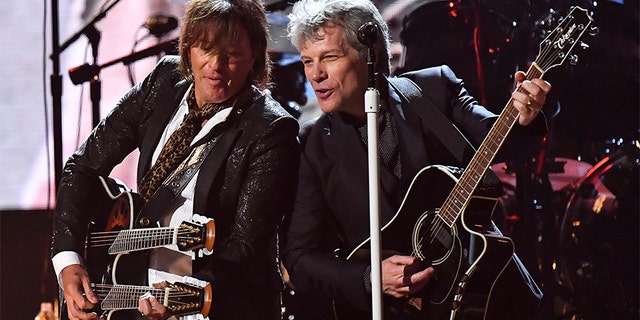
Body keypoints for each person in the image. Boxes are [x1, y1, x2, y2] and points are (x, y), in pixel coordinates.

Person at [281, 0, 551, 319]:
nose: (316, 74)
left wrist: (523, 116)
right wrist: (370, 278)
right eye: (307, 61)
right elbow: (300, 257)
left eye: (329, 57)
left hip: (484, 292)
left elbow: (496, 138)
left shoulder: (433, 89)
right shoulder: (312, 144)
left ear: (371, 54)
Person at [51, 0, 300, 319]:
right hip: (136, 295)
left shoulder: (271, 128)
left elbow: (245, 245)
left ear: (254, 57)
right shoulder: (163, 82)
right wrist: (69, 260)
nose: (216, 66)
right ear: (187, 49)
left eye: (232, 55)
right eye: (206, 50)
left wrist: (182, 299)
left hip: (221, 306)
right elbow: (82, 167)